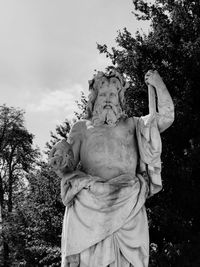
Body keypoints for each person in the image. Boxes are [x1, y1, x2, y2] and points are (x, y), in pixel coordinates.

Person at [49, 68, 174, 267]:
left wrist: (158, 85)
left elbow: (167, 117)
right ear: (95, 98)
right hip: (89, 207)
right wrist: (59, 159)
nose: (108, 99)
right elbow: (67, 166)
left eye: (113, 94)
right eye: (104, 94)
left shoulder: (134, 125)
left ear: (120, 98)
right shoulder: (82, 128)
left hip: (128, 202)